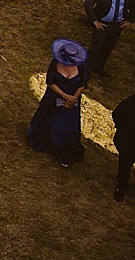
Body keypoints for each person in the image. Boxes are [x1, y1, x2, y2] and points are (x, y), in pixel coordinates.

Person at [27, 38, 89, 167]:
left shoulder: (82, 67)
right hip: (54, 98)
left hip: (72, 101)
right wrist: (65, 96)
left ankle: (63, 150)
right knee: (51, 122)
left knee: (66, 126)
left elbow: (82, 84)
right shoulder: (55, 64)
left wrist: (73, 99)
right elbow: (50, 82)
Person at [83, 0, 135, 77]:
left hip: (117, 25)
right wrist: (95, 21)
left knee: (108, 48)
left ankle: (99, 67)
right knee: (94, 50)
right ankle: (85, 73)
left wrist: (129, 20)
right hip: (102, 24)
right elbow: (88, 3)